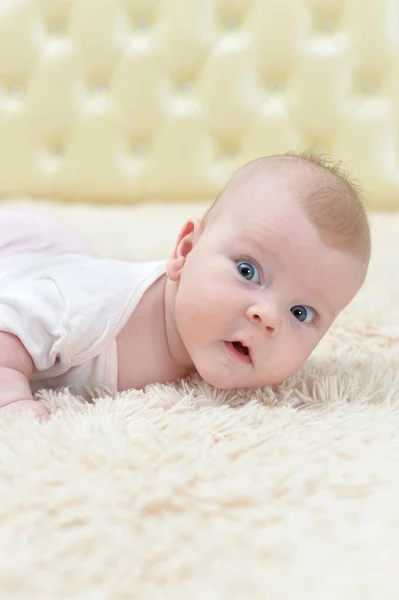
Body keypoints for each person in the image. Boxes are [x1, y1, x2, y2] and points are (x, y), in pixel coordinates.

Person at [0, 152, 371, 420]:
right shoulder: (85, 306)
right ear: (186, 249)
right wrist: (10, 401)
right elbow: (10, 323)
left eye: (300, 313)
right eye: (247, 271)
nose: (268, 315)